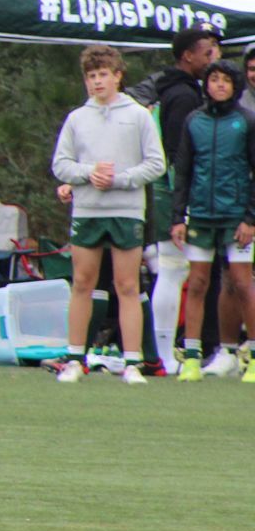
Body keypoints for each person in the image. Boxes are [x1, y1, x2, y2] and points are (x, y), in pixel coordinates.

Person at [50, 43, 166, 384]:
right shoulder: (77, 118)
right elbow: (61, 164)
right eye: (91, 76)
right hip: (87, 211)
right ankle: (75, 358)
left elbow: (155, 164)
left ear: (118, 76)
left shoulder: (138, 116)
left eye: (103, 75)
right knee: (82, 283)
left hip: (126, 211)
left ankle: (133, 363)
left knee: (126, 285)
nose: (97, 82)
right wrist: (88, 173)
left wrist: (121, 180)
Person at [167, 60, 255, 381]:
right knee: (198, 284)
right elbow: (184, 172)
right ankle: (192, 358)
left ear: (235, 86)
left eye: (225, 80)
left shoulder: (246, 121)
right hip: (201, 217)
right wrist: (178, 217)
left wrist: (250, 218)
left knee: (243, 284)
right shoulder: (194, 121)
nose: (219, 85)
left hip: (237, 218)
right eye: (213, 79)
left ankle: (253, 358)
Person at [143, 24, 221, 373]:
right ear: (187, 55)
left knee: (173, 271)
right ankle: (162, 352)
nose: (213, 57)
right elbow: (177, 154)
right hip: (173, 193)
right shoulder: (183, 96)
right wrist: (182, 205)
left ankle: (164, 351)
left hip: (171, 192)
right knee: (172, 271)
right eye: (207, 52)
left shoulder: (177, 89)